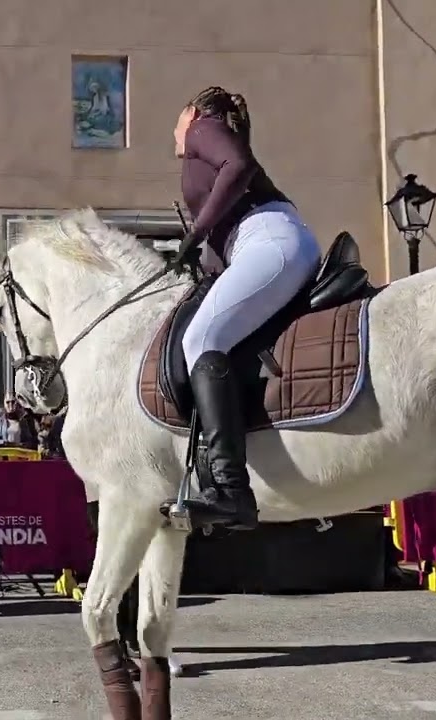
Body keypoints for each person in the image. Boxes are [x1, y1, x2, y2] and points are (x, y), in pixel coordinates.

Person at [172, 86, 323, 528]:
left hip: (268, 241)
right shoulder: (203, 144)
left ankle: (231, 489)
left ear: (193, 112)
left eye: (176, 120)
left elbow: (239, 165)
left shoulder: (202, 127)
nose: (174, 132)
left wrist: (194, 233)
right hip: (267, 243)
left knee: (201, 338)